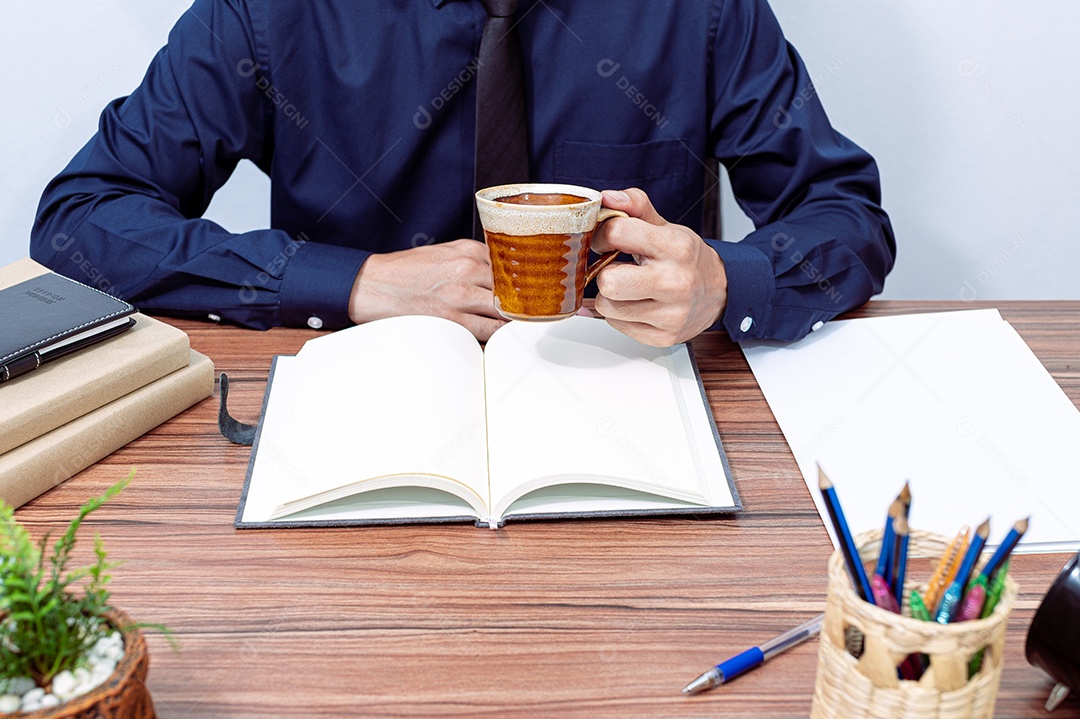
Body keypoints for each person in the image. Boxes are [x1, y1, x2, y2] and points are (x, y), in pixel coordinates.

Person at [30, 0, 894, 347]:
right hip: (360, 415)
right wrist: (353, 280)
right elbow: (82, 219)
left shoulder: (701, 9)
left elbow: (844, 213)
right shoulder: (268, 10)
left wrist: (724, 280)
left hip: (639, 409)